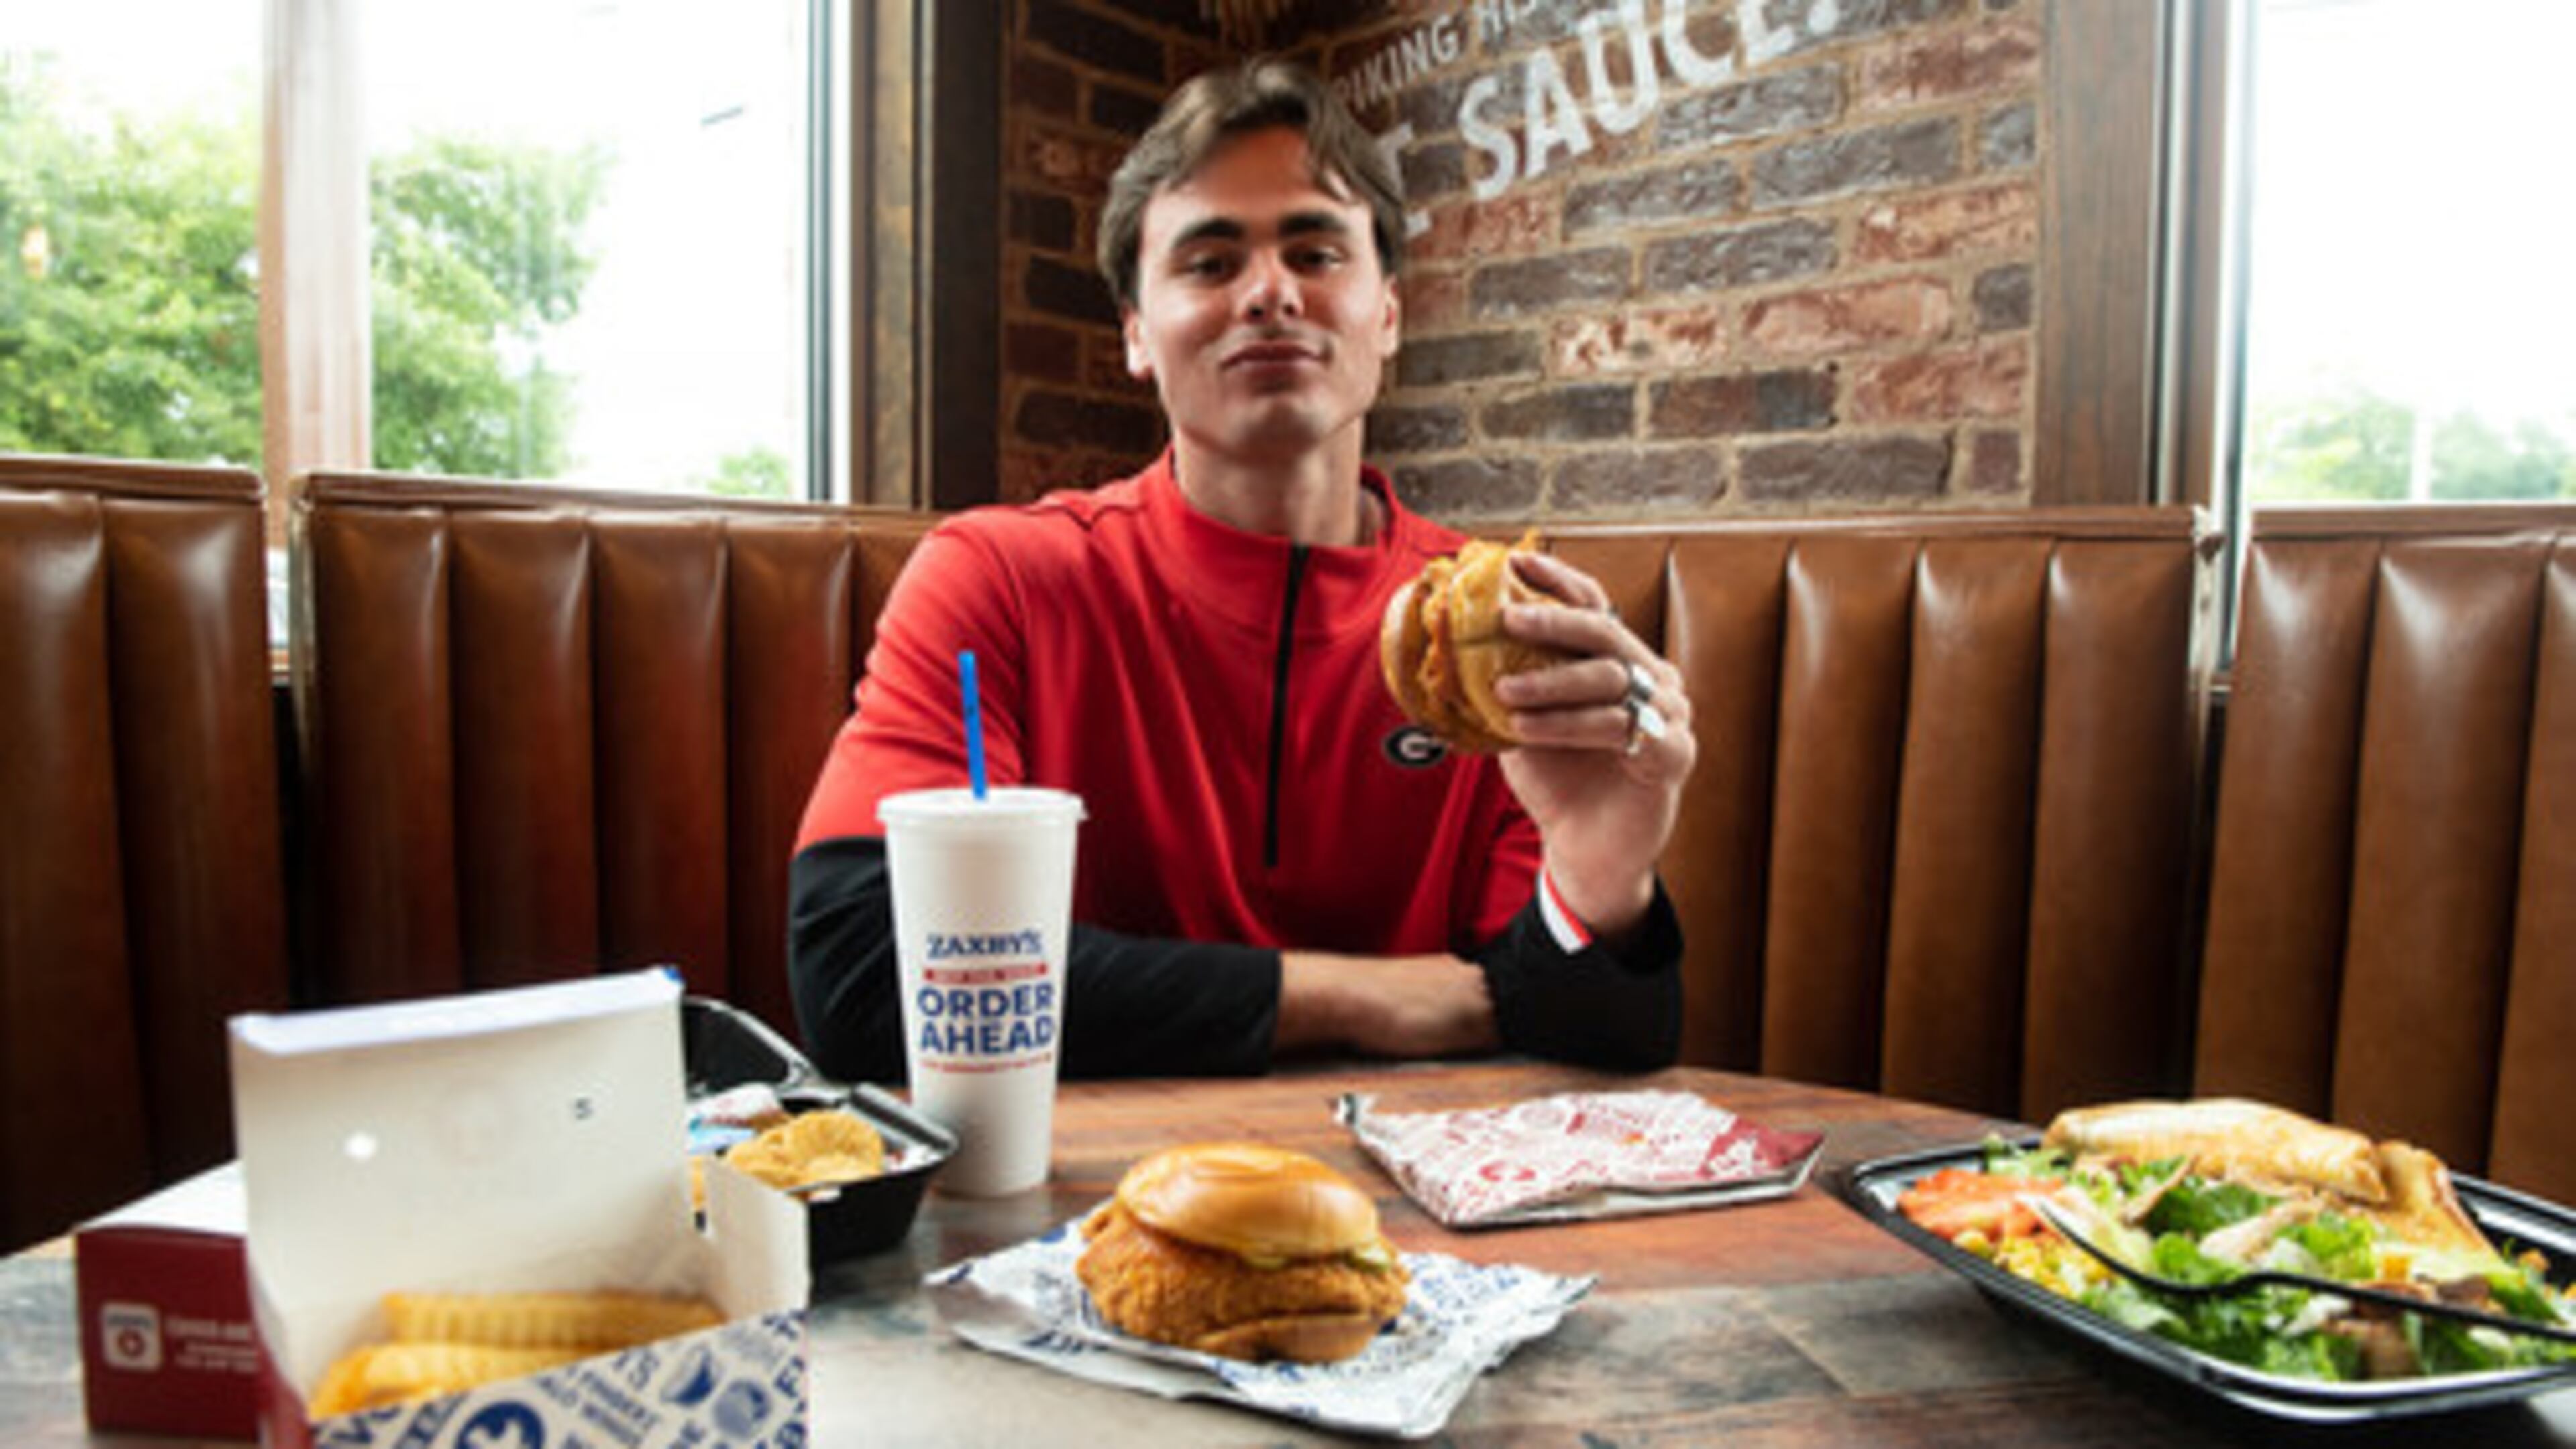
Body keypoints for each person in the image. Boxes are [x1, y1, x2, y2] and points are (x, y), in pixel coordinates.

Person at [789, 58, 1696, 1083]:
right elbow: (863, 973)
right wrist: (1356, 995)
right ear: (1137, 332)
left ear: (1387, 315)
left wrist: (1601, 874)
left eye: (1314, 251)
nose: (1270, 292)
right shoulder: (996, 578)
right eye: (1211, 263)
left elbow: (1581, 1039)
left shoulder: (1502, 631)